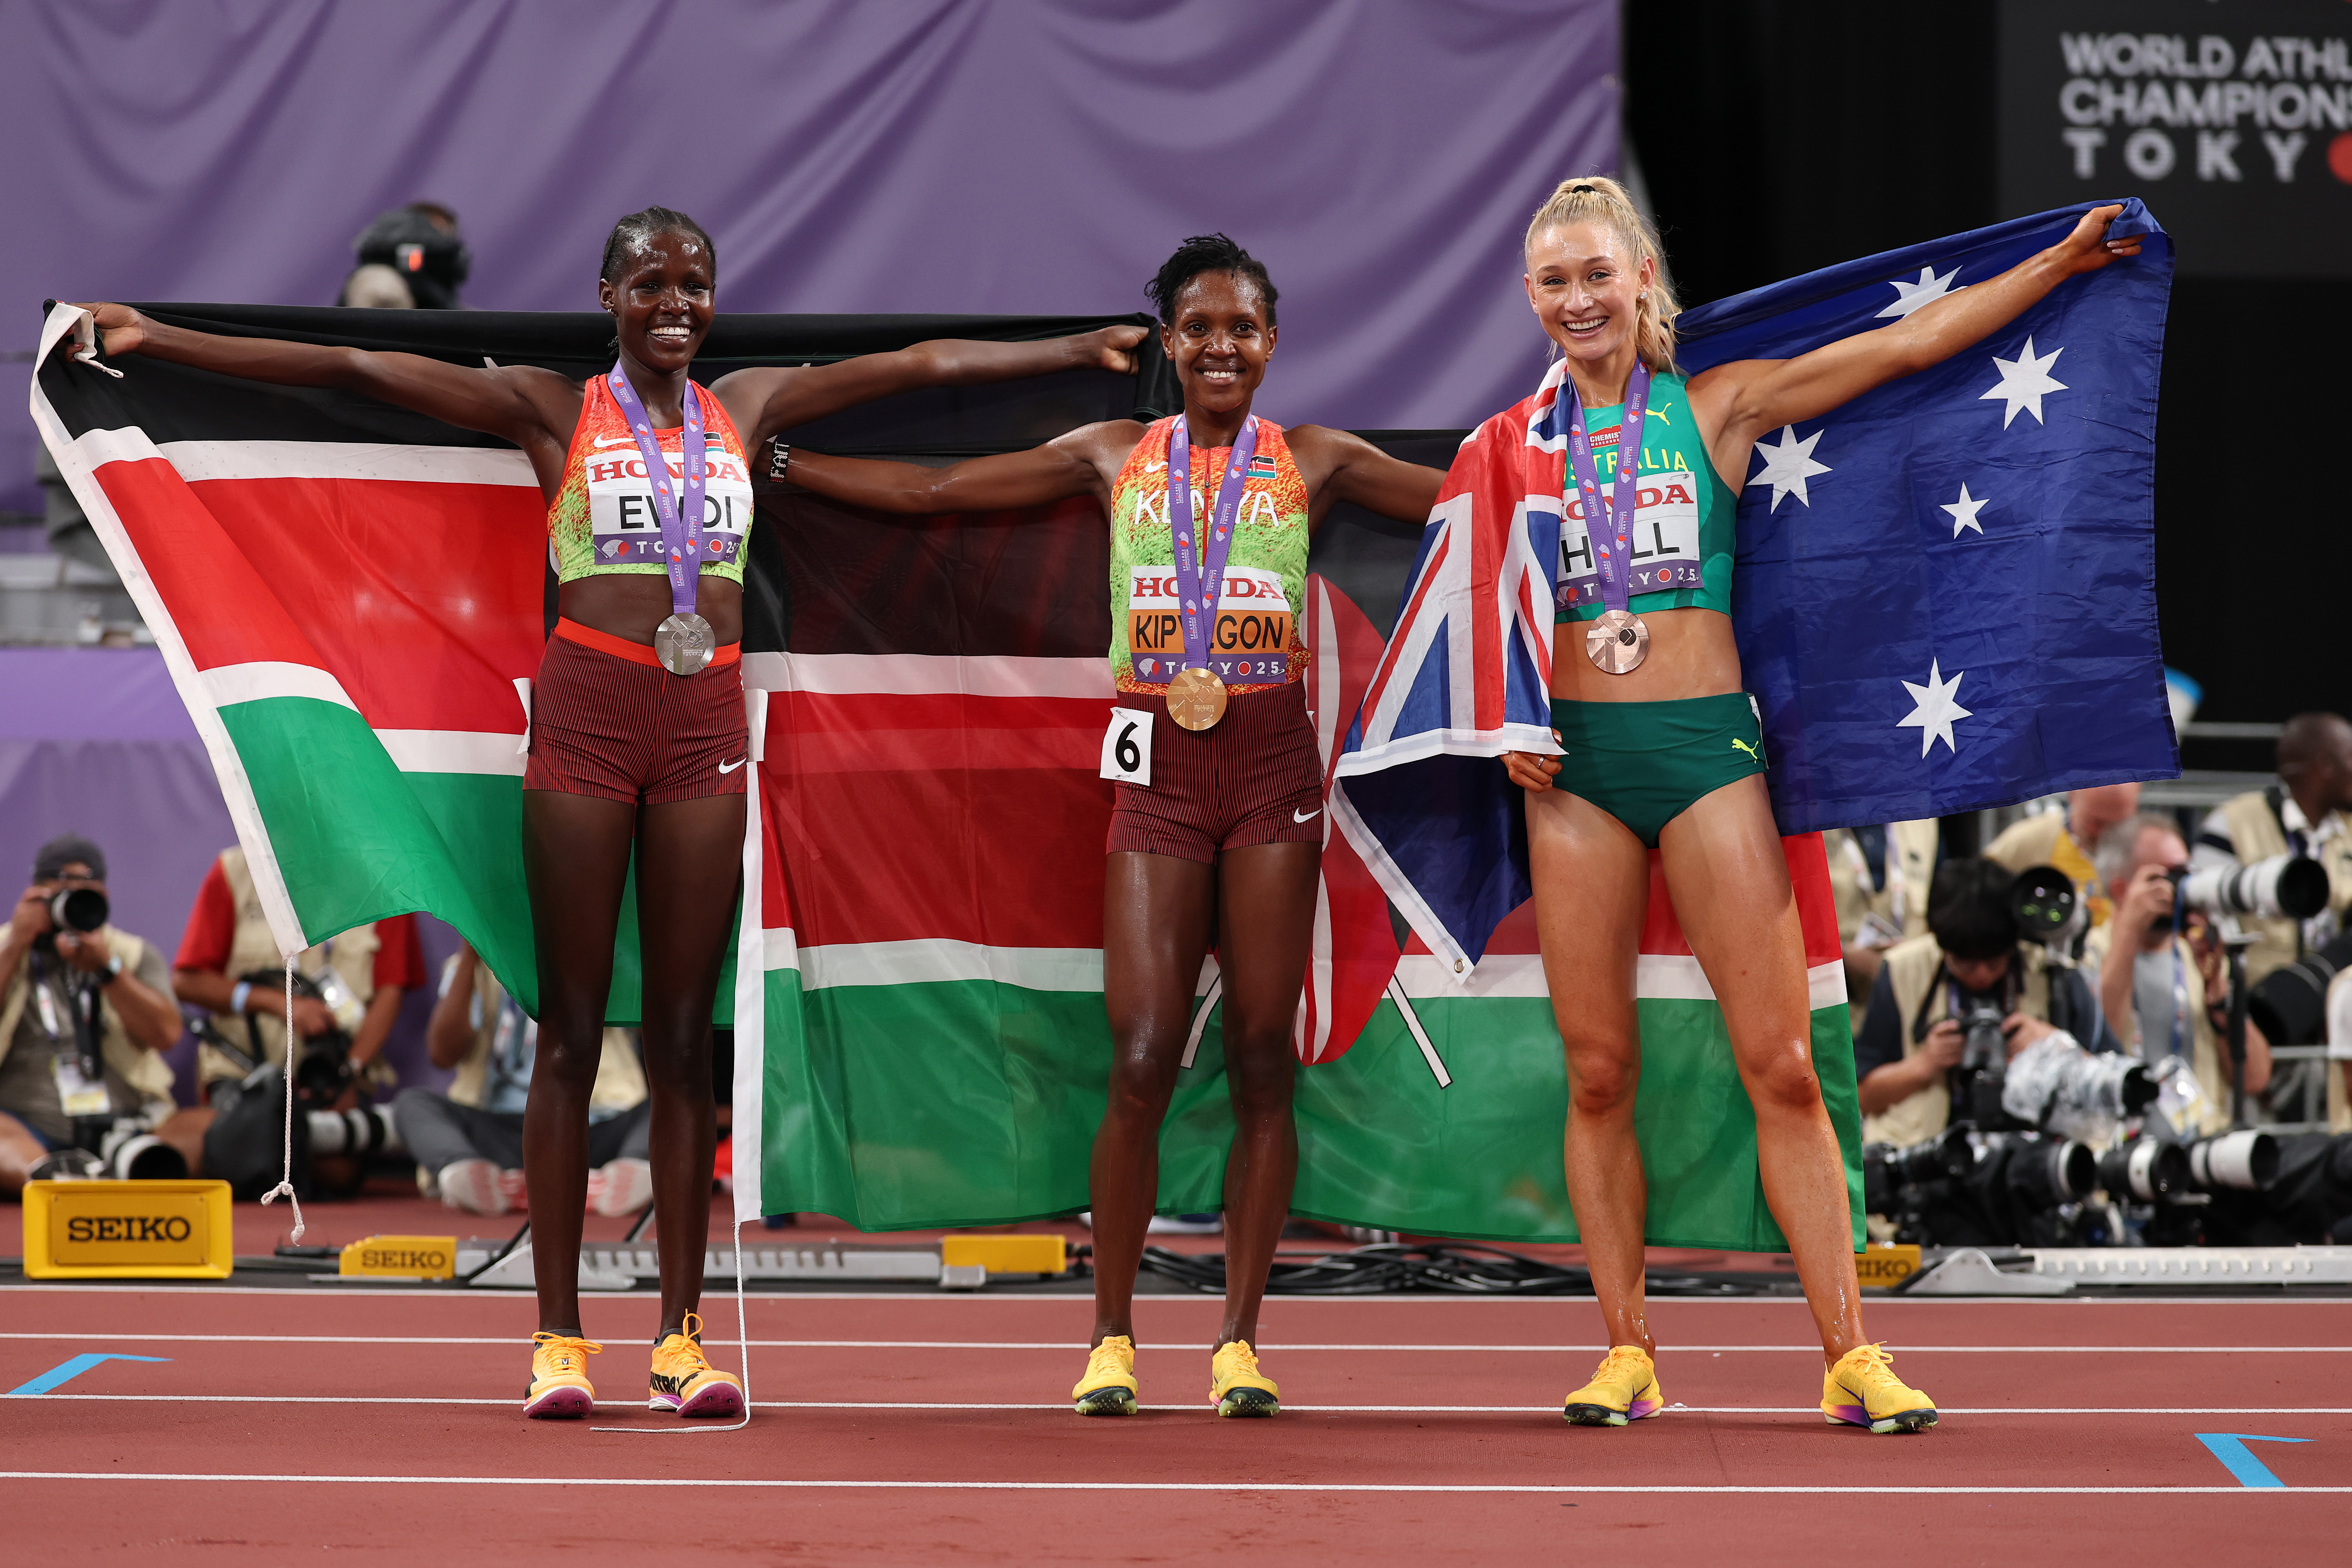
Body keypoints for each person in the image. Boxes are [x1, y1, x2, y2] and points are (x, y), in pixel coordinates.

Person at [69, 208, 1142, 1421]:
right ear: (608, 296)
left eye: (694, 285)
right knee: (572, 1030)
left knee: (686, 1043)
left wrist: (1070, 351)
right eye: (651, 285)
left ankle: (681, 1337)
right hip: (583, 717)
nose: (675, 304)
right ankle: (559, 1335)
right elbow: (359, 367)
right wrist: (165, 337)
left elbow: (922, 367)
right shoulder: (549, 408)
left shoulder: (751, 406)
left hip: (703, 730)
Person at [1495, 178, 2139, 1435]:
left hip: (1703, 753)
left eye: (1595, 274)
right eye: (1553, 280)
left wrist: (2054, 271)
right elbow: (1462, 591)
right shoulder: (1509, 445)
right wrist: (1503, 716)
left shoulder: (1719, 406)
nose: (1577, 298)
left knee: (1784, 1066)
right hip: (1573, 772)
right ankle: (1625, 1348)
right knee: (1594, 1068)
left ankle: (1850, 1350)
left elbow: (1905, 344)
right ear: (1533, 299)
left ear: (1642, 278)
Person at [781, 234, 1445, 1419]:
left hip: (1272, 771)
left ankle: (1239, 1340)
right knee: (1139, 1058)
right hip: (1159, 775)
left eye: (1242, 326)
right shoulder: (1109, 456)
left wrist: (1583, 472)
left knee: (1259, 1059)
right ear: (1174, 345)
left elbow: (1467, 507)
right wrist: (789, 471)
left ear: (1273, 343)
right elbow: (939, 491)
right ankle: (1112, 1334)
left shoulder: (1319, 460)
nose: (1221, 345)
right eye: (1199, 327)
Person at [1853, 858, 2119, 1146]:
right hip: (1930, 1155)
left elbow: (2114, 1082)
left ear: (2014, 944)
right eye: (1963, 963)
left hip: (2033, 1155)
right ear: (1940, 945)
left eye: (1994, 962)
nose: (1981, 975)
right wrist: (1924, 1064)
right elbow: (1862, 1096)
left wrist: (2054, 1045)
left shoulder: (2051, 971)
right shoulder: (1902, 969)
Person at [396, 940, 650, 1217]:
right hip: (503, 1128)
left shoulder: (602, 950)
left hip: (594, 1125)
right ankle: (469, 1172)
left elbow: (651, 1030)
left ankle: (628, 1171)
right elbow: (442, 1054)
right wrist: (471, 952)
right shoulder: (474, 964)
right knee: (413, 1103)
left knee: (661, 1105)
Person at [0, 835, 189, 1193]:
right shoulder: (7, 944)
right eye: (63, 890)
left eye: (87, 890)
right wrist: (16, 944)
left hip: (125, 1124)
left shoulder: (131, 954)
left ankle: (114, 1168)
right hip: (25, 1124)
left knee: (201, 1129)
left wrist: (108, 971)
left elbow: (167, 1034)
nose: (74, 902)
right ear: (36, 892)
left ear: (104, 895)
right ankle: (49, 1176)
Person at [174, 845, 422, 1105]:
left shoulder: (384, 881)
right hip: (243, 1073)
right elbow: (187, 983)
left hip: (333, 1079)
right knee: (251, 1131)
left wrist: (350, 1073)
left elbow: (390, 994)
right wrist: (278, 1005)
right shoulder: (235, 869)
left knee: (330, 1134)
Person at [2089, 812, 2269, 1133]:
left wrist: (2219, 997)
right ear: (2120, 889)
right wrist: (2129, 935)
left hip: (2197, 1150)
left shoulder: (2197, 954)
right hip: (2122, 1155)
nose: (2181, 889)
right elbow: (2099, 1043)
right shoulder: (2090, 952)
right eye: (2168, 876)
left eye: (2187, 874)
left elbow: (2255, 1078)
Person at [2190, 712, 2352, 985]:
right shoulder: (2234, 821)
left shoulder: (2349, 829)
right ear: (2325, 766)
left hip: (2338, 1009)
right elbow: (2201, 910)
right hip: (2256, 1004)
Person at [1985, 782, 2141, 932]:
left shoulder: (2144, 850)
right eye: (2095, 822)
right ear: (2072, 795)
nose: (2102, 833)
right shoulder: (2028, 840)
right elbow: (1978, 898)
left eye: (2115, 825)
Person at [1825, 819, 1938, 1020]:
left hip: (1908, 1015)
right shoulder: (1799, 818)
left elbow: (1944, 913)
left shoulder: (1923, 818)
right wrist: (1842, 958)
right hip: (1831, 1015)